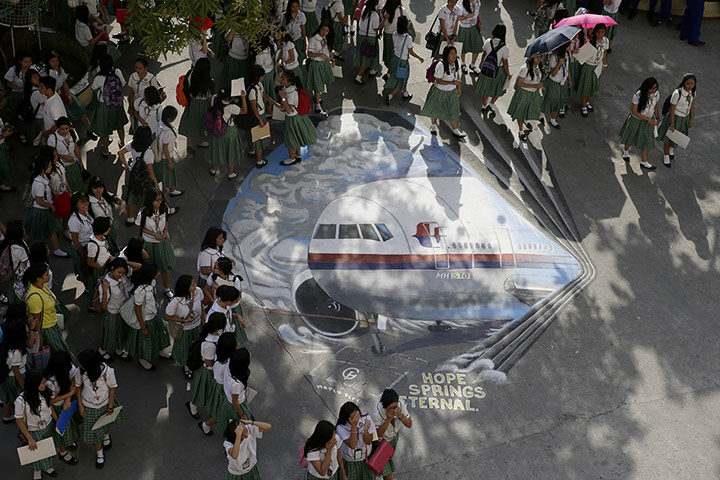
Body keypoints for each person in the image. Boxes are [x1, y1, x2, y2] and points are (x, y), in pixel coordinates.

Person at [76, 349, 127, 469]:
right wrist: (80, 405)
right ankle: (100, 454)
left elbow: (112, 389)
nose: (80, 365)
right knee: (93, 431)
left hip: (105, 404)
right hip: (89, 406)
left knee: (104, 422)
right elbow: (77, 387)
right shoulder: (81, 372)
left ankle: (106, 436)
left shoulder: (107, 371)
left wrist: (110, 407)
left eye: (82, 363)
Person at [14, 370, 63, 479]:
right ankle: (37, 471)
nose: (45, 384)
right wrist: (30, 438)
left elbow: (50, 406)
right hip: (34, 431)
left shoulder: (45, 393)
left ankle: (48, 467)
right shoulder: (21, 401)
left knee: (49, 449)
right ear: (34, 385)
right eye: (42, 383)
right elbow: (19, 420)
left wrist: (57, 420)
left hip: (48, 425)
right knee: (37, 454)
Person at [125, 264, 172, 370]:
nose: (159, 273)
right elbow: (137, 309)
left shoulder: (152, 283)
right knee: (146, 341)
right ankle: (144, 359)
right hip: (146, 320)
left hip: (154, 315)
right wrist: (143, 327)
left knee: (159, 334)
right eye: (157, 272)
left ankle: (161, 351)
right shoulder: (140, 291)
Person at [24, 262, 74, 357]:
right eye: (46, 274)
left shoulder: (43, 286)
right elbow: (36, 320)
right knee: (61, 353)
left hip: (52, 323)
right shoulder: (34, 297)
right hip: (47, 329)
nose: (49, 275)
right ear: (39, 278)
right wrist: (40, 337)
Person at [24, 154, 68, 257]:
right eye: (49, 166)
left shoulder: (43, 178)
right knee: (33, 234)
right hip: (40, 211)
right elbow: (39, 200)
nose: (51, 167)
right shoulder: (38, 183)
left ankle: (57, 249)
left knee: (50, 230)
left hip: (45, 210)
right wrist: (51, 206)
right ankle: (21, 245)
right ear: (43, 168)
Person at [189, 312, 226, 433]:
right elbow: (209, 363)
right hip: (207, 372)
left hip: (210, 370)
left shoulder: (213, 337)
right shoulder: (209, 345)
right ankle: (193, 404)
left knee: (203, 391)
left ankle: (194, 404)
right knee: (201, 390)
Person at [136, 188, 176, 296]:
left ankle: (167, 288)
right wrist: (154, 234)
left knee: (165, 265)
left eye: (161, 200)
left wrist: (166, 231)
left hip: (163, 240)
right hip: (149, 242)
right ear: (150, 200)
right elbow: (140, 227)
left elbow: (166, 220)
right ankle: (150, 289)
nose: (159, 202)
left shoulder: (164, 208)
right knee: (150, 267)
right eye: (157, 200)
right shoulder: (143, 213)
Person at [118, 126, 160, 225]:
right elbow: (150, 170)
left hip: (132, 174)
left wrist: (127, 166)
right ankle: (140, 218)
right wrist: (156, 182)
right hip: (143, 178)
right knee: (142, 197)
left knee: (131, 197)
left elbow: (120, 153)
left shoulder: (132, 144)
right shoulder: (148, 152)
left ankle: (130, 218)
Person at [420, 45, 465, 138]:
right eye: (451, 54)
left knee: (454, 110)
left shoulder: (457, 62)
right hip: (439, 91)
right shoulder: (441, 65)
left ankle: (455, 130)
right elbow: (439, 80)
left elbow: (457, 75)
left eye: (455, 53)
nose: (454, 56)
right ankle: (433, 125)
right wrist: (452, 82)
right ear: (447, 55)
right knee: (435, 109)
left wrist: (458, 87)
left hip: (452, 91)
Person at [165, 274, 205, 379]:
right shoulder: (176, 301)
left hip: (197, 326)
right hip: (185, 329)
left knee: (196, 346)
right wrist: (184, 320)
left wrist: (203, 322)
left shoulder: (198, 292)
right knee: (185, 348)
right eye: (192, 285)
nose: (195, 286)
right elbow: (168, 316)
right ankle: (186, 365)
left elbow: (201, 305)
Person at [89, 53, 128, 158]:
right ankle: (122, 143)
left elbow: (93, 89)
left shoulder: (98, 78)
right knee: (120, 125)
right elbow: (123, 87)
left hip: (103, 106)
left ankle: (106, 151)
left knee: (104, 131)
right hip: (117, 104)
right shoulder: (117, 72)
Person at [40, 51, 92, 129]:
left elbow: (64, 82)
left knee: (79, 109)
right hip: (54, 98)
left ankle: (90, 128)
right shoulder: (44, 74)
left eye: (57, 61)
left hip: (63, 93)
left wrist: (69, 95)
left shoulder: (59, 69)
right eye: (52, 61)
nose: (55, 63)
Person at [619, 77, 660, 170]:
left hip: (649, 119)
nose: (654, 90)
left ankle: (644, 161)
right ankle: (625, 151)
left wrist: (657, 117)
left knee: (646, 140)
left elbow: (656, 107)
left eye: (655, 88)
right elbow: (634, 112)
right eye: (652, 88)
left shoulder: (656, 94)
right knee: (630, 136)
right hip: (637, 120)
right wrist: (647, 119)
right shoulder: (637, 95)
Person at [46, 351, 81, 458]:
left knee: (69, 426)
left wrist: (67, 399)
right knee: (60, 430)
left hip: (67, 404)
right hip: (56, 408)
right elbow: (50, 401)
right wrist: (69, 395)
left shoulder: (69, 368)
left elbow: (73, 379)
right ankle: (63, 452)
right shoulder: (50, 382)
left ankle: (69, 442)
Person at [278, 70, 318, 166]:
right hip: (296, 117)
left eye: (283, 79)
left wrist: (283, 98)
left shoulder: (290, 94)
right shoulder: (290, 89)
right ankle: (298, 155)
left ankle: (292, 158)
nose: (281, 80)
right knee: (296, 135)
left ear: (289, 82)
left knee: (290, 138)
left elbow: (288, 110)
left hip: (292, 119)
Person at [371, 389, 412, 480]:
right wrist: (388, 420)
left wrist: (401, 416)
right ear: (385, 407)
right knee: (387, 469)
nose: (394, 410)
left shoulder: (400, 405)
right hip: (381, 443)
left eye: (395, 407)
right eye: (390, 408)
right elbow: (377, 435)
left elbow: (409, 424)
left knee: (387, 460)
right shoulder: (376, 414)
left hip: (394, 437)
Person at [657, 73, 696, 167]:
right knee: (668, 137)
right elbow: (672, 108)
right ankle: (666, 155)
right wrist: (672, 123)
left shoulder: (693, 93)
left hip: (684, 118)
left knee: (677, 136)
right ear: (683, 83)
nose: (690, 85)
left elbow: (691, 106)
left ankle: (671, 150)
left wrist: (691, 118)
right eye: (687, 83)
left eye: (692, 83)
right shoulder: (677, 93)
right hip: (674, 117)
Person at [208, 87, 248, 180]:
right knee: (230, 152)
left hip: (216, 130)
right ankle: (231, 173)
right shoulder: (231, 107)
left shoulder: (214, 100)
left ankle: (213, 169)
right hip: (228, 131)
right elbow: (244, 111)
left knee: (215, 149)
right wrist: (243, 98)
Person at [384, 16, 424, 105]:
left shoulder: (394, 34)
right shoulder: (408, 38)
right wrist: (419, 58)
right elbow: (411, 51)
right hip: (403, 62)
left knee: (400, 77)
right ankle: (390, 95)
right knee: (402, 80)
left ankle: (405, 93)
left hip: (395, 58)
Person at [1, 314, 32, 422]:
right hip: (14, 377)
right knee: (12, 397)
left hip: (8, 377)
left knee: (8, 397)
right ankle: (9, 415)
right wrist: (23, 384)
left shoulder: (9, 344)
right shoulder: (17, 352)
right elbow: (16, 370)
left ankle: (7, 415)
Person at [246, 66, 279, 168]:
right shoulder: (252, 91)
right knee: (259, 139)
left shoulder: (258, 86)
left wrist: (274, 103)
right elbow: (254, 107)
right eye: (262, 76)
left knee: (251, 136)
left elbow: (264, 95)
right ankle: (259, 161)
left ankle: (251, 151)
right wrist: (260, 119)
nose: (263, 77)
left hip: (257, 115)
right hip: (257, 116)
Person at [179, 57, 214, 152]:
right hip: (203, 104)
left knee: (191, 121)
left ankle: (190, 142)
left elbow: (186, 87)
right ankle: (200, 141)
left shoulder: (190, 74)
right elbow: (209, 97)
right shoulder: (208, 81)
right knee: (202, 123)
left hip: (192, 102)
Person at [99, 257, 130, 361]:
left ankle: (118, 348)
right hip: (112, 312)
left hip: (122, 310)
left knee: (120, 331)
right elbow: (104, 306)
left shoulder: (121, 278)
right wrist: (104, 291)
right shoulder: (106, 284)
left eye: (123, 273)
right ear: (112, 268)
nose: (121, 275)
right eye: (118, 272)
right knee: (109, 332)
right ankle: (102, 350)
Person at [206, 332, 238, 432]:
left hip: (218, 386)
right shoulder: (227, 364)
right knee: (222, 412)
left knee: (220, 409)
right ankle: (206, 425)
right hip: (222, 389)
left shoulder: (219, 355)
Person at [336, 402, 376, 480]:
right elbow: (352, 445)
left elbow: (368, 441)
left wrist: (366, 430)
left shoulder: (366, 419)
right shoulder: (341, 427)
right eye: (353, 415)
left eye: (357, 413)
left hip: (365, 458)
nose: (357, 417)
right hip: (350, 460)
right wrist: (354, 425)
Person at [507, 55, 544, 140]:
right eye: (537, 57)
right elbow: (519, 83)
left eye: (541, 57)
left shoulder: (539, 67)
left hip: (534, 93)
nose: (540, 59)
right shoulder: (525, 68)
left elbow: (539, 79)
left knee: (529, 109)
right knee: (520, 111)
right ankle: (520, 130)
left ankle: (526, 120)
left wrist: (540, 84)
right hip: (524, 92)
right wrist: (534, 86)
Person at [47, 117, 87, 193]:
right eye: (62, 129)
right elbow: (51, 154)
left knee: (77, 183)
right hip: (62, 166)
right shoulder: (52, 139)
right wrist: (64, 157)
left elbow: (76, 148)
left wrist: (81, 162)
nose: (65, 131)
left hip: (73, 163)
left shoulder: (73, 133)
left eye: (67, 128)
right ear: (58, 128)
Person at [88, 176, 126, 254]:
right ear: (91, 188)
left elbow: (121, 202)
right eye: (95, 188)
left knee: (113, 245)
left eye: (100, 187)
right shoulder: (88, 202)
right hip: (100, 232)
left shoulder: (106, 195)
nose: (98, 190)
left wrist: (122, 207)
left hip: (110, 227)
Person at [575, 24, 608, 117]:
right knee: (585, 87)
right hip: (588, 66)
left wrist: (604, 64)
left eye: (602, 32)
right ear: (595, 32)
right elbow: (582, 55)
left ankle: (587, 101)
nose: (600, 34)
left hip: (597, 66)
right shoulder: (590, 41)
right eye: (598, 32)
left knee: (592, 86)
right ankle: (583, 106)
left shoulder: (606, 41)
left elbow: (604, 53)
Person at [2, 51, 34, 139]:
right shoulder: (13, 70)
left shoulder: (32, 69)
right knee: (15, 113)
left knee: (26, 113)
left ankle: (23, 132)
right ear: (20, 61)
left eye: (30, 62)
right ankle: (13, 131)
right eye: (26, 62)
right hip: (17, 94)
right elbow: (8, 83)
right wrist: (17, 88)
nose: (28, 64)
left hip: (28, 94)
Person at [353, 0, 385, 85]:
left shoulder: (364, 8)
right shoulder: (374, 15)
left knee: (368, 55)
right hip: (370, 38)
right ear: (376, 3)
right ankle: (358, 76)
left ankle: (371, 70)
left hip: (362, 35)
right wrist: (384, 21)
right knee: (368, 56)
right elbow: (376, 28)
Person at [541, 43, 572, 130]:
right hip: (554, 82)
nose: (571, 47)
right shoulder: (554, 57)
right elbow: (553, 74)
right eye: (569, 45)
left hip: (563, 82)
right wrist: (559, 64)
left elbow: (567, 68)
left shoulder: (566, 55)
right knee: (549, 100)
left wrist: (569, 79)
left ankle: (553, 119)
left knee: (559, 101)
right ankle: (540, 114)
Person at [153, 105, 182, 196]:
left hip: (158, 155)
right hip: (166, 156)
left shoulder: (159, 124)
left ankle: (167, 188)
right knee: (169, 174)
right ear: (170, 119)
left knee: (161, 173)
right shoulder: (168, 132)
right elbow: (165, 147)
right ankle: (172, 190)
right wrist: (170, 162)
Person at [127, 57, 162, 130]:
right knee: (137, 123)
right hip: (137, 104)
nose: (138, 70)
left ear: (146, 68)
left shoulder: (151, 78)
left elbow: (155, 93)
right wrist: (130, 106)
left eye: (140, 68)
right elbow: (131, 92)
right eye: (136, 68)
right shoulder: (133, 77)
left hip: (148, 106)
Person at [68, 191, 94, 289]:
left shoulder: (87, 213)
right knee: (84, 270)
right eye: (82, 202)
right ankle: (87, 288)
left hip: (90, 245)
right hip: (82, 247)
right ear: (76, 205)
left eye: (86, 201)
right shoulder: (74, 220)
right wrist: (83, 252)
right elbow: (75, 240)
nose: (86, 204)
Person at [306, 23, 335, 112]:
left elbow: (329, 50)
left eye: (326, 31)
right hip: (316, 63)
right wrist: (320, 55)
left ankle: (316, 97)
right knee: (318, 84)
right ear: (319, 29)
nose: (324, 32)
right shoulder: (313, 39)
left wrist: (332, 59)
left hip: (325, 63)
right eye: (323, 30)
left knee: (321, 81)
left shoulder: (326, 39)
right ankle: (317, 104)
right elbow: (309, 53)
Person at [0, 220, 29, 304]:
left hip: (13, 274)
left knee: (13, 296)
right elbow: (27, 265)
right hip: (20, 276)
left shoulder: (8, 244)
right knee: (19, 299)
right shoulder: (19, 249)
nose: (24, 229)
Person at [223, 348, 255, 424]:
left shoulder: (229, 365)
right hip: (236, 405)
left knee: (221, 417)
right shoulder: (237, 384)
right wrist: (242, 415)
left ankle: (205, 425)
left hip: (227, 398)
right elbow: (235, 401)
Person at [86, 216, 113, 301]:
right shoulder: (93, 245)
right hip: (99, 271)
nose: (109, 229)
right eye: (107, 228)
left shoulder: (103, 238)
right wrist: (102, 269)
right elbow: (90, 262)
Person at [456, 0, 483, 74]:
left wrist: (480, 22)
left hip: (474, 27)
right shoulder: (461, 5)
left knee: (477, 46)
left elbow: (478, 12)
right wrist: (468, 17)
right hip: (464, 28)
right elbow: (457, 18)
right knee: (463, 48)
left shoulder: (477, 2)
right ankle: (463, 64)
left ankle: (473, 65)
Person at [39, 76, 68, 143]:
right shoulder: (50, 96)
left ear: (49, 90)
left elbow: (58, 124)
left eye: (41, 87)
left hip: (57, 138)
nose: (39, 89)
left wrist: (46, 133)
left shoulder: (54, 106)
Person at [381, 0, 407, 71]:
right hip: (398, 35)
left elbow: (381, 23)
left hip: (387, 35)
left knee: (388, 52)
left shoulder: (384, 10)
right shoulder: (402, 10)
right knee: (396, 53)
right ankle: (391, 70)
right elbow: (408, 21)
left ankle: (389, 68)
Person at [283, 1, 308, 65]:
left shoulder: (301, 15)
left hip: (297, 39)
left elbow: (303, 29)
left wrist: (305, 43)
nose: (295, 8)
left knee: (299, 56)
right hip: (288, 40)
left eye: (297, 6)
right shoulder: (284, 16)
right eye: (293, 7)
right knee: (289, 57)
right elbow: (282, 29)